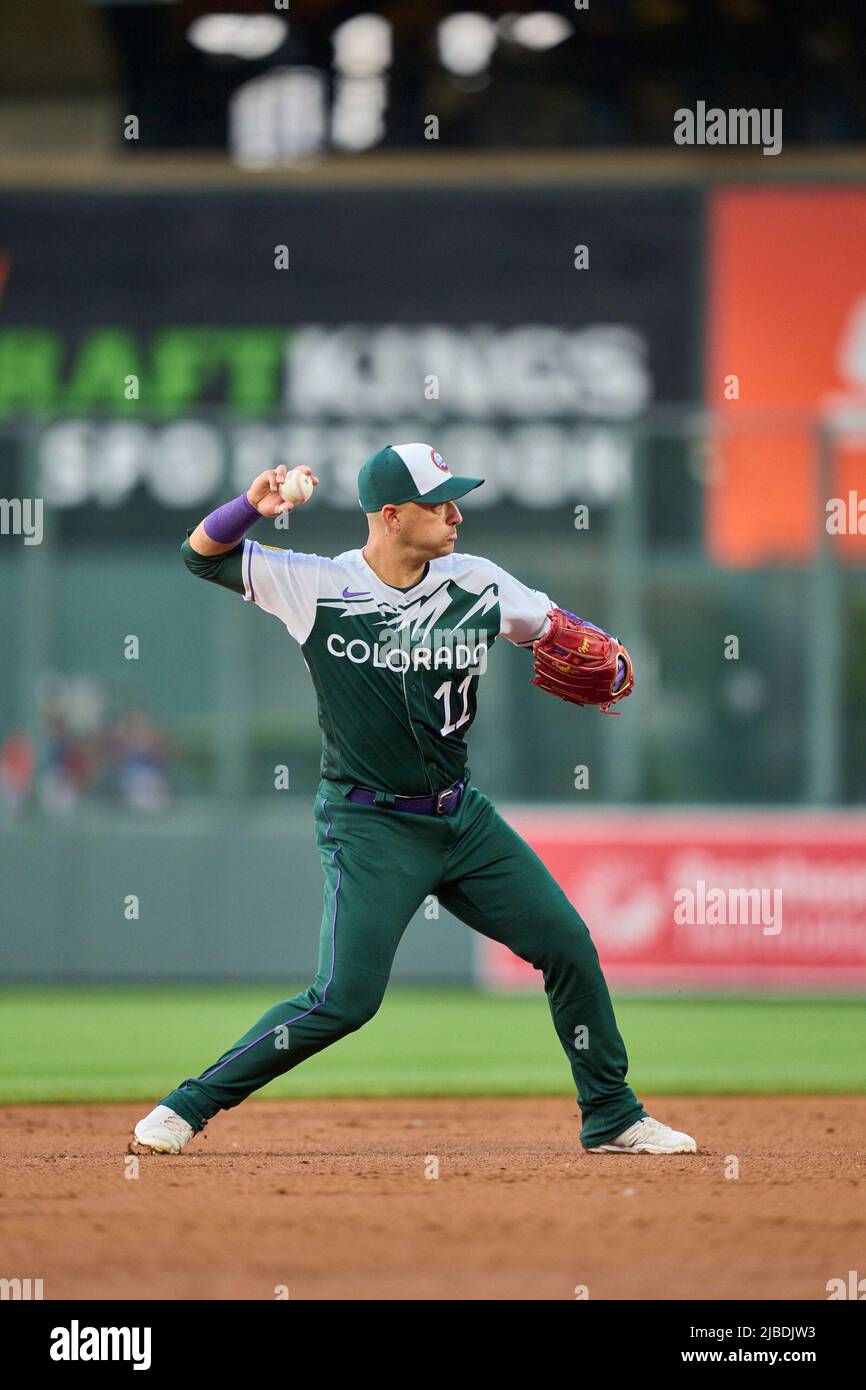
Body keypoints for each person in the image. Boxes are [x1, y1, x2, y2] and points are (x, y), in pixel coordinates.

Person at [130, 444, 696, 1157]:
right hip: (369, 824)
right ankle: (186, 1106)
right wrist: (253, 508)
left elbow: (558, 631)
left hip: (462, 818)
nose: (456, 515)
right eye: (439, 503)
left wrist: (596, 650)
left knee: (568, 946)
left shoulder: (479, 583)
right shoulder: (317, 586)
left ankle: (612, 1115)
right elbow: (200, 556)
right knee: (344, 1000)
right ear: (393, 516)